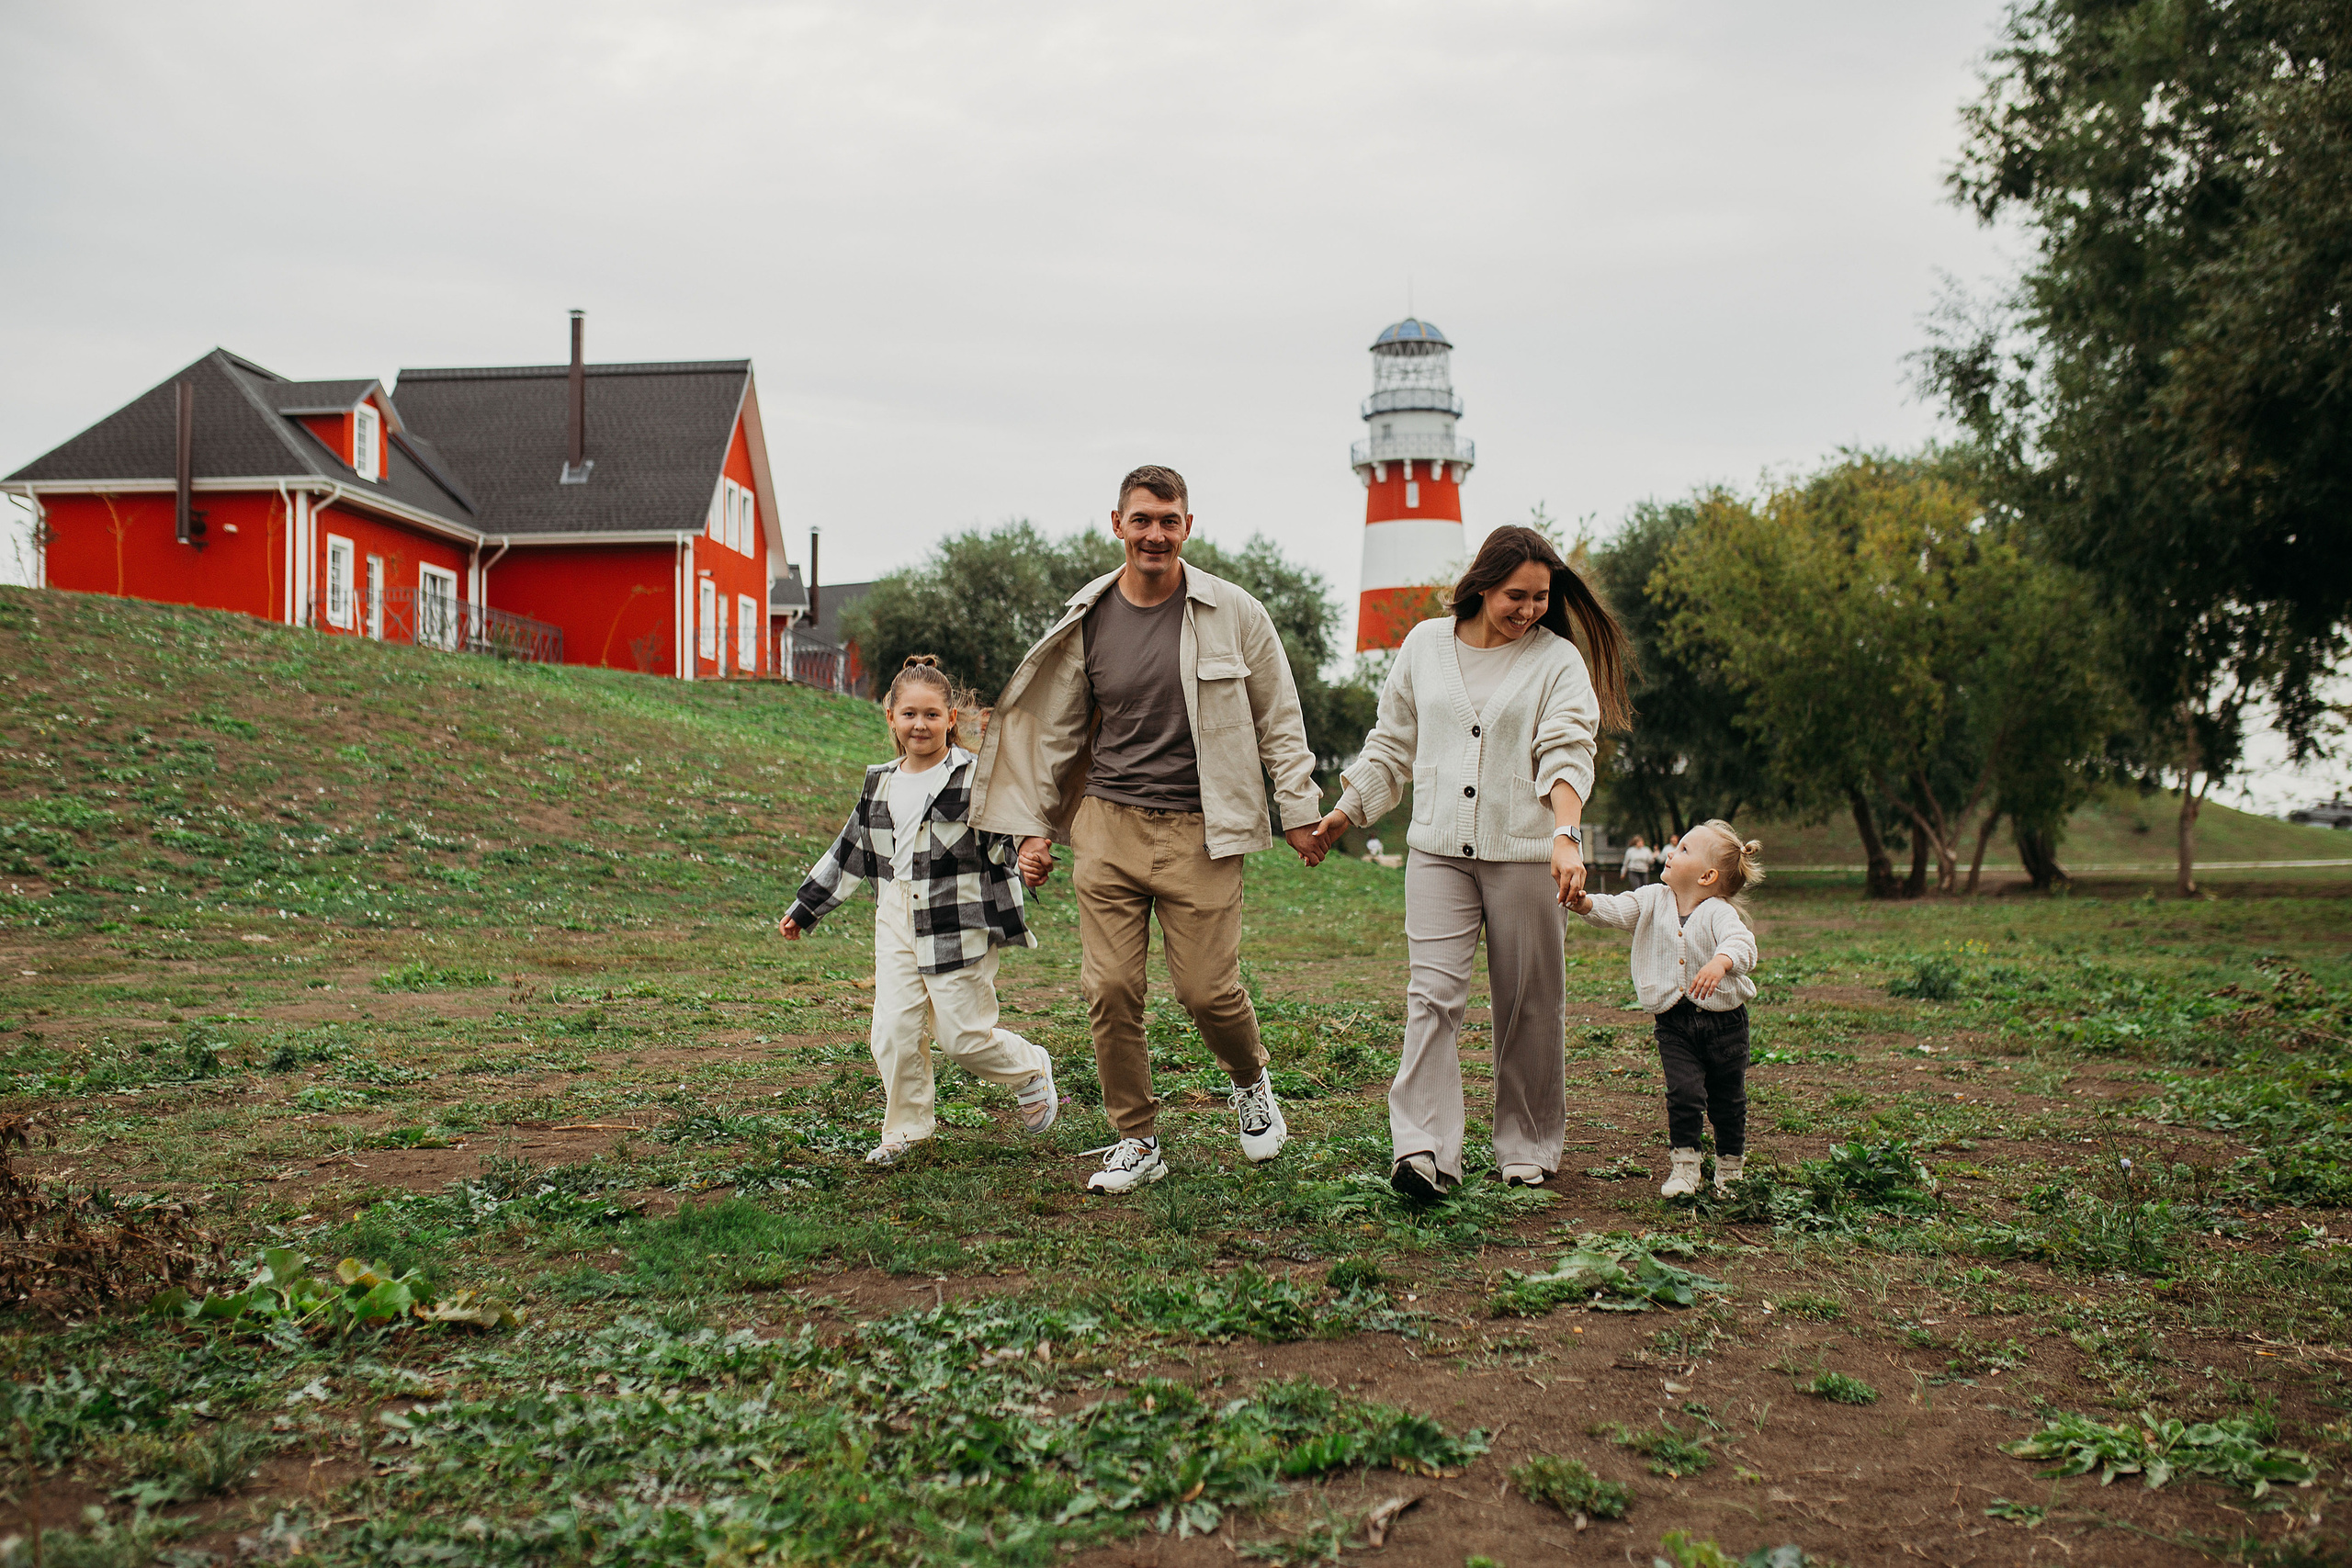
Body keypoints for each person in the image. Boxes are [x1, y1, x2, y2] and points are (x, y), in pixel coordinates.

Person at [972, 465, 1329, 1192]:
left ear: (1187, 527)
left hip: (1204, 829)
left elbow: (1280, 719)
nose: (1155, 534)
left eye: (1169, 521)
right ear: (1118, 524)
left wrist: (1298, 810)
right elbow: (1057, 732)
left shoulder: (1236, 612)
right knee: (1109, 988)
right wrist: (1035, 828)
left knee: (1207, 991)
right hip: (1109, 822)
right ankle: (1135, 1137)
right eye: (1142, 520)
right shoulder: (1090, 615)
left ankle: (1250, 1080)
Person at [1312, 525, 1633, 1199]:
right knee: (1430, 998)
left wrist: (1565, 835)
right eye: (1517, 595)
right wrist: (1346, 811)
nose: (1530, 609)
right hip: (1436, 852)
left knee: (1529, 1004)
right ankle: (1423, 1151)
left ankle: (1527, 1145)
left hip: (1526, 855)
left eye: (1541, 597)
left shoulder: (1557, 661)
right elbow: (1391, 743)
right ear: (1483, 585)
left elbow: (1567, 752)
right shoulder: (1424, 645)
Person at [779, 656, 1058, 1167]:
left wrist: (1027, 853)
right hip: (896, 915)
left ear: (950, 718)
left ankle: (1029, 1068)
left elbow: (1008, 831)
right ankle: (907, 1131)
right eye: (909, 714)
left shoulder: (974, 777)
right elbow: (850, 850)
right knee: (893, 1031)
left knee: (962, 1038)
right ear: (891, 717)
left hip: (957, 918)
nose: (920, 725)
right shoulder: (880, 782)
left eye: (931, 715)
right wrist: (807, 907)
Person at [1568, 821, 1762, 1198]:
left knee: (1728, 1101)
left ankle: (1730, 1169)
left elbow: (1742, 943)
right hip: (1674, 1023)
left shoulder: (1719, 912)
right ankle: (1685, 1167)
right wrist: (1587, 904)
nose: (1671, 852)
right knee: (1683, 1093)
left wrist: (1721, 962)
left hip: (1726, 1026)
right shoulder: (1652, 899)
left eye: (1684, 850)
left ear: (1706, 876)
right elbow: (1618, 908)